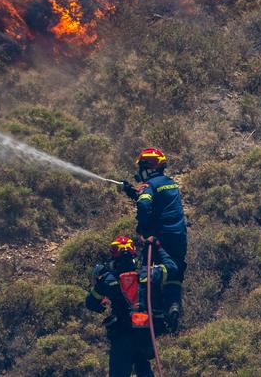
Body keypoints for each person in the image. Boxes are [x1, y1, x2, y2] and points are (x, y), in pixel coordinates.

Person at [85, 235, 178, 376]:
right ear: (133, 252)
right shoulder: (149, 273)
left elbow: (90, 303)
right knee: (144, 369)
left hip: (121, 336)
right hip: (144, 334)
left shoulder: (107, 279)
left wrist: (101, 307)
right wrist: (158, 247)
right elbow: (172, 267)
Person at [121, 147, 186, 330]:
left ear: (147, 167)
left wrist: (144, 227)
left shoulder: (149, 186)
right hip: (179, 236)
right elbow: (157, 200)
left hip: (160, 236)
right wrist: (133, 192)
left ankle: (144, 323)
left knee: (147, 274)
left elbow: (144, 203)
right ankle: (173, 306)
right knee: (176, 270)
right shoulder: (170, 183)